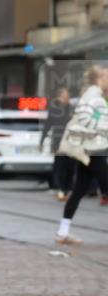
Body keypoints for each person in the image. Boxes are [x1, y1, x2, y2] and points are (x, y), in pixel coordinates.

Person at [55, 65, 108, 244]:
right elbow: (86, 121)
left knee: (79, 190)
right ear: (99, 79)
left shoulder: (94, 95)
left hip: (88, 149)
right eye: (107, 76)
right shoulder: (94, 97)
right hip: (94, 150)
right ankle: (62, 232)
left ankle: (63, 231)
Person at [42, 87, 76, 201]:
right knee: (60, 166)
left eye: (67, 95)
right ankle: (61, 189)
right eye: (64, 95)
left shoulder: (73, 109)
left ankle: (68, 188)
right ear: (59, 96)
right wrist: (42, 140)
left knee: (71, 166)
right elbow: (47, 125)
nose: (66, 98)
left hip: (72, 143)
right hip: (58, 143)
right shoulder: (54, 109)